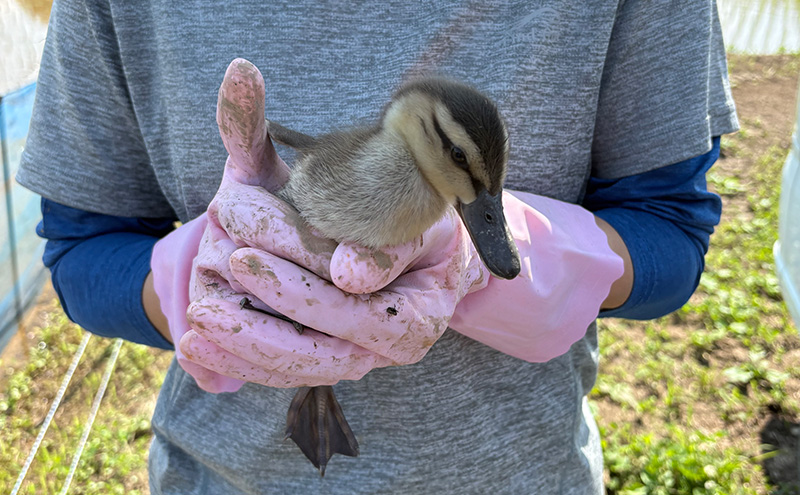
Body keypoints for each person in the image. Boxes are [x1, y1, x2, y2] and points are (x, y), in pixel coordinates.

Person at [17, 1, 737, 493]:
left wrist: (536, 259)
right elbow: (83, 247)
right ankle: (315, 395)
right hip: (225, 477)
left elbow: (669, 228)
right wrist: (196, 282)